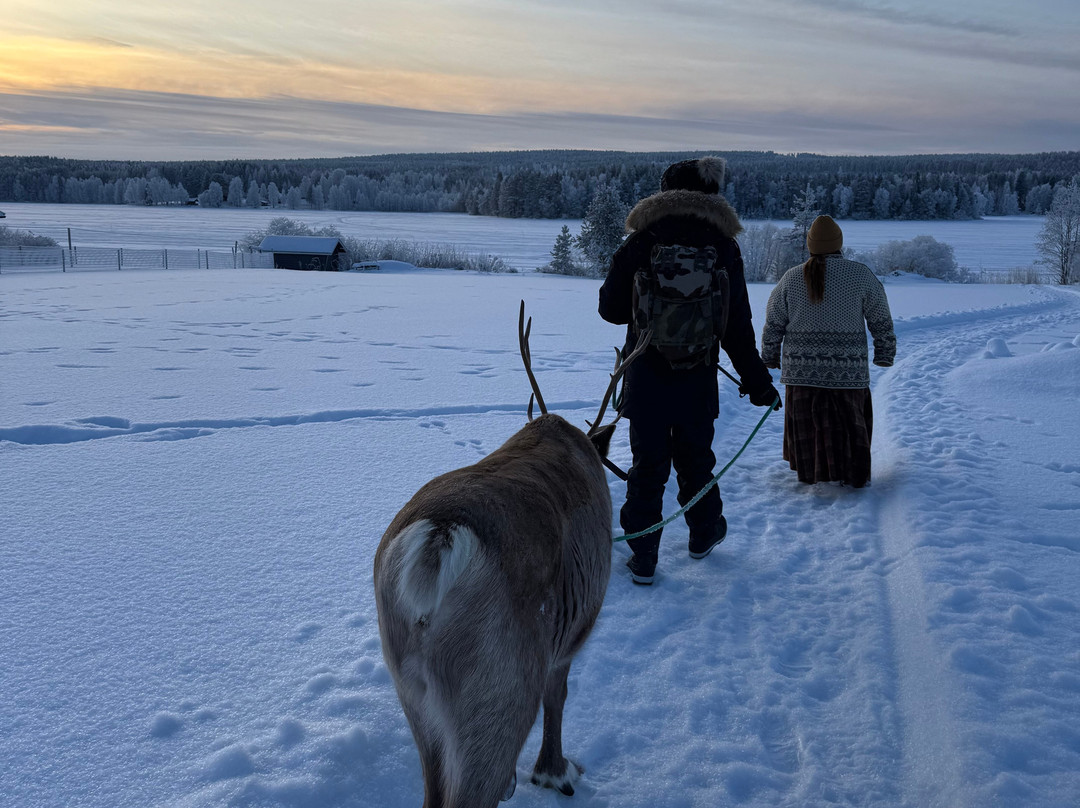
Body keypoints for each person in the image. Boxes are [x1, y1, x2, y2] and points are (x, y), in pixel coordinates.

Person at [599, 156, 779, 585]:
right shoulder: (724, 247)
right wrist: (758, 385)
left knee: (648, 465)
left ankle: (643, 554)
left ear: (665, 195)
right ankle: (703, 534)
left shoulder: (642, 241)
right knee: (696, 459)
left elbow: (609, 310)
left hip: (645, 375)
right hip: (698, 378)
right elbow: (737, 328)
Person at [760, 215, 896, 488]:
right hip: (848, 370)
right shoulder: (860, 274)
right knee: (848, 423)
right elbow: (880, 318)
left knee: (808, 426)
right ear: (839, 244)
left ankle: (811, 472)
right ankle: (849, 472)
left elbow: (774, 321)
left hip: (801, 370)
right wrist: (884, 353)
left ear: (810, 245)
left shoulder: (791, 277)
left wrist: (770, 356)